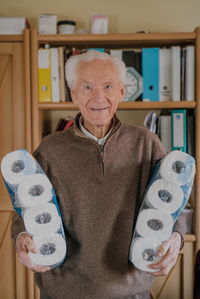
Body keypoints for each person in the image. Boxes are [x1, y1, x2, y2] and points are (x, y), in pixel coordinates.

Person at [11, 50, 185, 299]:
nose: (99, 97)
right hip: (63, 291)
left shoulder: (146, 143)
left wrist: (176, 238)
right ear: (74, 94)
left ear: (122, 92)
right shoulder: (50, 149)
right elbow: (24, 210)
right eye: (88, 87)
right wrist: (22, 238)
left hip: (130, 289)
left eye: (107, 86)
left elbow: (172, 202)